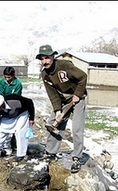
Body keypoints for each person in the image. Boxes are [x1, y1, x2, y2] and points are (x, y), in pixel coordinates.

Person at [36, 44, 88, 173]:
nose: (45, 61)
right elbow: (52, 94)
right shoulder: (45, 74)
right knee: (52, 124)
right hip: (64, 101)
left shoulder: (64, 66)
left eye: (47, 58)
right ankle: (50, 152)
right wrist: (58, 110)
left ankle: (77, 158)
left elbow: (83, 77)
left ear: (53, 56)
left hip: (78, 97)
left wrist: (77, 94)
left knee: (77, 128)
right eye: (42, 59)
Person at [0, 94, 35, 162]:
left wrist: (31, 118)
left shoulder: (14, 100)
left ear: (2, 104)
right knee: (1, 129)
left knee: (20, 132)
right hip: (8, 114)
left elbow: (29, 102)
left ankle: (21, 154)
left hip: (21, 113)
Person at [0, 66, 23, 154]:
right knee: (2, 125)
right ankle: (1, 144)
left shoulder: (18, 84)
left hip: (14, 105)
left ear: (13, 76)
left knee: (15, 127)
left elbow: (16, 97)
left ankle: (14, 145)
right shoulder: (2, 82)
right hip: (3, 104)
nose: (7, 79)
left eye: (9, 77)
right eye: (6, 77)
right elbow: (0, 93)